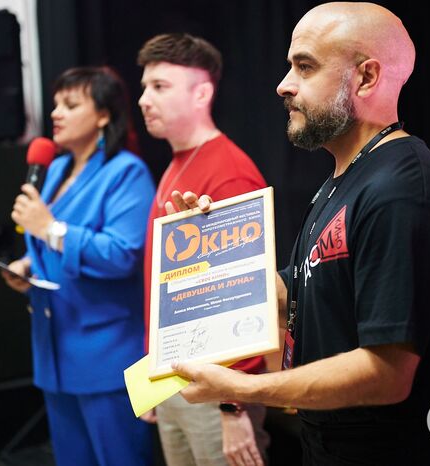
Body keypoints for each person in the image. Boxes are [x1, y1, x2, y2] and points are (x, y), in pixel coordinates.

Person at [167, 3, 430, 465]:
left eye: (305, 66)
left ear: (366, 77)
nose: (283, 84)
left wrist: (245, 388)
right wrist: (211, 255)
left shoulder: (402, 193)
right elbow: (301, 292)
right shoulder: (346, 177)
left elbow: (386, 375)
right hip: (331, 443)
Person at [1, 66, 154, 466]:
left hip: (106, 354)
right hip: (54, 350)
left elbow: (124, 254)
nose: (56, 113)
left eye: (70, 105)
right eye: (56, 104)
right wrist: (26, 265)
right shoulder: (53, 169)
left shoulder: (126, 171)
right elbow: (45, 244)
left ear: (103, 115)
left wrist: (51, 228)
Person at [137, 33, 271, 465]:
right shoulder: (177, 162)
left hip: (217, 392)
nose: (144, 99)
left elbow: (242, 300)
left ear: (201, 94)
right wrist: (155, 377)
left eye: (160, 86)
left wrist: (233, 406)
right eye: (144, 86)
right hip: (176, 379)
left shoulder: (229, 173)